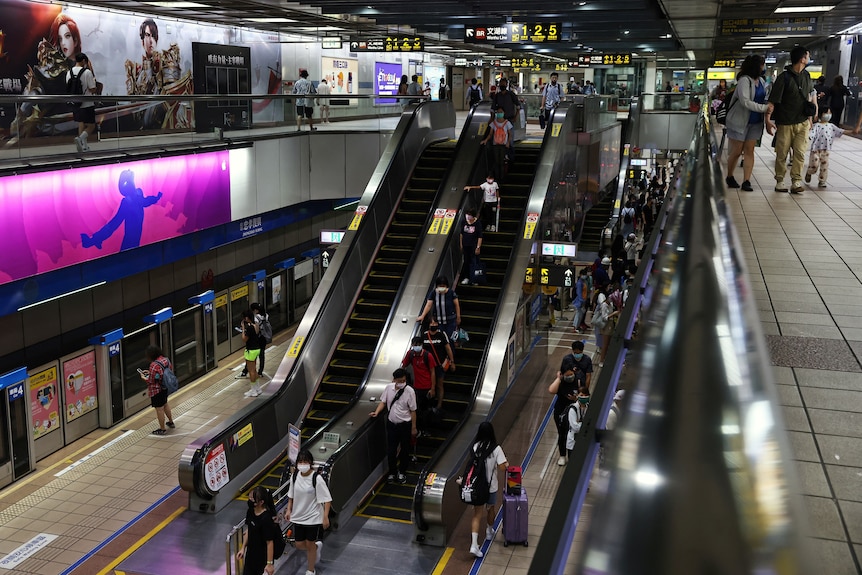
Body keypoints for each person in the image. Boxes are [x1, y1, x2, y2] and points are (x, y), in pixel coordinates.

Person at [766, 46, 816, 194]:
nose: (808, 58)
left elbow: (808, 96)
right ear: (802, 59)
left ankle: (796, 182)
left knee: (800, 153)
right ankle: (780, 180)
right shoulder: (784, 78)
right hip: (785, 122)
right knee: (782, 153)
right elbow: (772, 101)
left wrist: (810, 118)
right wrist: (767, 121)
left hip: (802, 122)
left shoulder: (807, 76)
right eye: (808, 56)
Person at [724, 55, 773, 192]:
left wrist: (767, 113)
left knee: (749, 151)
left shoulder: (762, 82)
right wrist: (764, 108)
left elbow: (764, 98)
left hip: (755, 122)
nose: (763, 68)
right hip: (739, 121)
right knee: (737, 151)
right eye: (762, 65)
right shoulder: (744, 81)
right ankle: (729, 176)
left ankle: (747, 181)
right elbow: (745, 101)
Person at [80, 169, 161, 250]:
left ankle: (94, 240)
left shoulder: (135, 195)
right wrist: (156, 198)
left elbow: (145, 201)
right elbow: (114, 223)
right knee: (125, 241)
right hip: (132, 235)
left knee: (117, 230)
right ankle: (94, 240)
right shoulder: (129, 200)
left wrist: (156, 198)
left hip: (134, 235)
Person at [284, 449, 332, 575]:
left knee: (309, 544)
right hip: (298, 516)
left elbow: (327, 499)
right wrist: (289, 509)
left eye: (305, 461)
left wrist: (325, 517)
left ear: (310, 462)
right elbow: (291, 495)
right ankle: (316, 548)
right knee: (299, 544)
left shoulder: (317, 478)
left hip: (313, 517)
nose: (302, 464)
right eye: (300, 461)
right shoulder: (295, 477)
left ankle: (311, 570)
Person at [465, 421, 508, 558]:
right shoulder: (496, 448)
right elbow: (502, 468)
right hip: (491, 487)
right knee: (491, 508)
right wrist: (506, 463)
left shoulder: (475, 446)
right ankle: (489, 531)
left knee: (477, 514)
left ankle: (473, 545)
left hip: (477, 487)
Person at [370, 369, 417, 484]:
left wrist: (413, 428)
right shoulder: (389, 388)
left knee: (404, 450)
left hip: (405, 425)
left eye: (404, 380)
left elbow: (413, 411)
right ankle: (392, 472)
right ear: (394, 380)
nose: (402, 382)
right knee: (391, 450)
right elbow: (383, 402)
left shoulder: (409, 391)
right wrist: (377, 412)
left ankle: (402, 472)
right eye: (400, 381)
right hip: (392, 424)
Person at [805, 108, 852, 188]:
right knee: (814, 165)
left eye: (830, 113)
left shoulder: (832, 126)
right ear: (821, 114)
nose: (828, 115)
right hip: (815, 150)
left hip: (826, 150)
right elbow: (811, 134)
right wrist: (807, 138)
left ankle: (822, 180)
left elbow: (840, 131)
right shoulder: (817, 126)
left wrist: (852, 131)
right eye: (826, 113)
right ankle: (809, 172)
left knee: (824, 166)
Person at [237, 486, 279, 575]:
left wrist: (269, 564)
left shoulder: (266, 519)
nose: (250, 500)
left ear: (261, 502)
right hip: (250, 556)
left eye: (253, 499)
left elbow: (269, 542)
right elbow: (249, 530)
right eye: (250, 497)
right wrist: (243, 548)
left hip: (262, 559)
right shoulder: (251, 511)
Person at [548, 359, 582, 466]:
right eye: (567, 375)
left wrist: (576, 398)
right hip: (561, 412)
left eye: (571, 374)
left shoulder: (578, 380)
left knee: (573, 433)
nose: (570, 377)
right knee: (562, 434)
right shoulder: (561, 382)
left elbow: (584, 394)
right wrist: (558, 378)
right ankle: (562, 455)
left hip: (574, 411)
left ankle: (573, 455)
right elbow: (551, 390)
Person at [401, 336, 437, 430]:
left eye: (418, 345)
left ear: (422, 345)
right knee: (417, 410)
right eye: (415, 345)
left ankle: (427, 429)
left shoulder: (427, 355)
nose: (416, 347)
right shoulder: (410, 354)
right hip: (416, 387)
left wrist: (432, 388)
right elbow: (404, 365)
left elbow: (433, 372)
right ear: (412, 345)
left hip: (427, 387)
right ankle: (419, 428)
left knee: (427, 410)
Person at [140, 345, 175, 435]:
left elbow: (151, 381)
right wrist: (150, 372)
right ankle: (171, 422)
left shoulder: (153, 365)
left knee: (159, 409)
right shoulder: (165, 360)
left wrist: (144, 378)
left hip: (156, 390)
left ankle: (162, 429)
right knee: (165, 404)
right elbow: (166, 371)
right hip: (165, 387)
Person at [67, 53, 97, 152]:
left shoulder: (69, 72)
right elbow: (92, 89)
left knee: (81, 123)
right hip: (87, 103)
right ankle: (80, 139)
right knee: (91, 125)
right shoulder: (87, 72)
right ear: (84, 61)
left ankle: (83, 146)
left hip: (75, 103)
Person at [423, 319, 455, 412]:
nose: (433, 324)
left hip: (439, 365)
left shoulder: (441, 334)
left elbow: (448, 348)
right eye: (431, 323)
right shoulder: (424, 335)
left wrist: (452, 361)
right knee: (428, 385)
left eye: (435, 323)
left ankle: (439, 405)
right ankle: (429, 404)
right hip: (427, 366)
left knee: (439, 385)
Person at [417, 276, 461, 342]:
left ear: (446, 286)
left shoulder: (451, 293)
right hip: (439, 322)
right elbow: (429, 305)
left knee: (450, 340)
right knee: (441, 340)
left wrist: (458, 317)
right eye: (440, 286)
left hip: (450, 321)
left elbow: (457, 305)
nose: (442, 288)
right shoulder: (434, 293)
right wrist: (422, 316)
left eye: (443, 286)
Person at [481, 105, 513, 183]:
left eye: (501, 112)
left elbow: (510, 134)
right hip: (495, 144)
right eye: (498, 112)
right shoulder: (493, 123)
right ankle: (497, 178)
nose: (499, 113)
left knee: (501, 162)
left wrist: (508, 142)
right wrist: (485, 140)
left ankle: (501, 178)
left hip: (504, 145)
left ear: (504, 113)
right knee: (496, 161)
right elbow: (490, 134)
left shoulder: (507, 123)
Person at [241, 309, 263, 397]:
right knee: (254, 369)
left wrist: (243, 329)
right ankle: (258, 388)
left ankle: (253, 390)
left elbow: (244, 339)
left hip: (251, 351)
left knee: (251, 371)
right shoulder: (256, 325)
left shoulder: (249, 328)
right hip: (257, 349)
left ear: (246, 318)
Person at [458, 209, 483, 285]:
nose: (468, 216)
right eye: (467, 214)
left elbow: (480, 236)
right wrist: (461, 244)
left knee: (474, 262)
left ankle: (474, 279)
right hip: (466, 245)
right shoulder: (464, 222)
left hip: (473, 246)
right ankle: (466, 277)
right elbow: (461, 234)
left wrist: (478, 247)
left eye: (470, 215)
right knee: (466, 262)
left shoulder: (477, 223)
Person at [565, 386, 591, 452]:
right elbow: (575, 427)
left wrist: (580, 423)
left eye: (586, 395)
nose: (584, 397)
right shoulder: (573, 409)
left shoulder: (590, 408)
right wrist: (586, 424)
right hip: (573, 442)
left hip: (585, 441)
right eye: (581, 395)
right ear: (577, 396)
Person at [250, 302, 271, 378]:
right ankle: (260, 371)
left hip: (258, 338)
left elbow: (257, 330)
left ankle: (250, 370)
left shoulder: (257, 318)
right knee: (262, 355)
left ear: (256, 310)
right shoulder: (266, 315)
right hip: (264, 338)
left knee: (253, 354)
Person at [571, 269, 589, 334]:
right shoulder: (579, 283)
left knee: (580, 314)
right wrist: (581, 301)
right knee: (578, 314)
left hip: (583, 300)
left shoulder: (584, 282)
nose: (586, 276)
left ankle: (577, 326)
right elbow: (579, 293)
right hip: (579, 301)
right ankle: (575, 327)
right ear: (581, 275)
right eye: (584, 274)